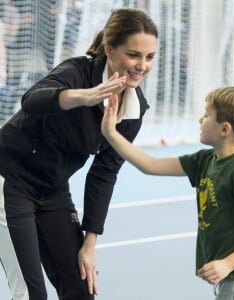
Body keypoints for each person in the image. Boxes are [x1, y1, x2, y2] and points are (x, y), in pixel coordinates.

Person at [0, 7, 158, 300]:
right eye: (134, 55)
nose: (142, 65)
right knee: (30, 294)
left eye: (149, 57)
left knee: (80, 288)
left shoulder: (134, 110)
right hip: (9, 178)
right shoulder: (78, 72)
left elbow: (104, 172)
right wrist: (86, 96)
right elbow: (31, 101)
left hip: (52, 189)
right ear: (109, 49)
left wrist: (90, 242)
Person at [101, 86, 234, 300]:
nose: (200, 120)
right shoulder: (206, 160)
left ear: (224, 129)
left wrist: (227, 263)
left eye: (206, 115)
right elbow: (151, 164)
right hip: (233, 278)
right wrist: (111, 133)